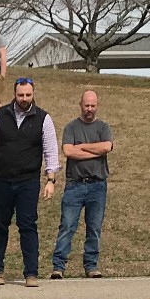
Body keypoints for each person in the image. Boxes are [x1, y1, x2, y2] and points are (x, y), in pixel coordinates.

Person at [0, 77, 59, 286]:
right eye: (20, 95)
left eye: (28, 95)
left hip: (28, 182)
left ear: (33, 94)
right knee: (0, 225)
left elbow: (51, 152)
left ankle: (31, 273)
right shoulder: (0, 114)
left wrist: (51, 180)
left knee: (28, 226)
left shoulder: (43, 118)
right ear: (14, 94)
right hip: (2, 180)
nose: (24, 99)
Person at [50, 90, 113, 279]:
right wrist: (95, 150)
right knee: (67, 226)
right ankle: (58, 266)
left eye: (93, 106)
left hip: (97, 185)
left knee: (94, 227)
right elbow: (68, 152)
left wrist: (82, 147)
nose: (89, 109)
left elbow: (107, 147)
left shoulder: (103, 127)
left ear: (97, 106)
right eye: (87, 105)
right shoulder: (71, 128)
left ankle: (91, 266)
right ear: (80, 105)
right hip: (75, 185)